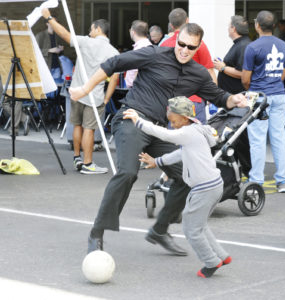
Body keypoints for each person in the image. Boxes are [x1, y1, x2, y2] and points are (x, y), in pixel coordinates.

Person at [69, 23, 246, 254]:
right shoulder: (154, 54)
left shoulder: (198, 74)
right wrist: (85, 89)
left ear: (197, 47)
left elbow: (220, 97)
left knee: (187, 175)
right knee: (128, 173)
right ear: (176, 40)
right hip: (131, 119)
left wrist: (237, 100)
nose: (184, 50)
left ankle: (160, 230)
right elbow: (114, 64)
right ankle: (97, 232)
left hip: (159, 129)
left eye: (190, 47)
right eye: (181, 44)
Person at [123, 96, 231, 278]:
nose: (172, 125)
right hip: (214, 185)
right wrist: (157, 161)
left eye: (173, 121)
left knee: (190, 229)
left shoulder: (187, 133)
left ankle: (211, 262)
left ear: (184, 117)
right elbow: (180, 154)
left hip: (204, 188)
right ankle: (221, 255)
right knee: (200, 224)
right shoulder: (197, 130)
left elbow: (165, 135)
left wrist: (139, 122)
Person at [41, 8, 119, 175]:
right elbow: (114, 78)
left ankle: (78, 158)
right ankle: (87, 163)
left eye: (91, 29)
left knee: (77, 125)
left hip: (77, 91)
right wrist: (106, 99)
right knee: (88, 129)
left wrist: (49, 18)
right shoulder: (114, 52)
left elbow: (65, 34)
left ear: (98, 29)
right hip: (94, 96)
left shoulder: (85, 42)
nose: (89, 32)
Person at [242, 10, 285, 193]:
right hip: (279, 94)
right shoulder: (284, 45)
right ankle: (283, 181)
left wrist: (251, 91)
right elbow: (282, 75)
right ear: (275, 26)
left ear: (257, 26)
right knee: (279, 137)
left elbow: (246, 79)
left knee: (257, 139)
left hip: (259, 95)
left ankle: (257, 180)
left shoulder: (252, 48)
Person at [161, 8, 217, 124]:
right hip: (194, 101)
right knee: (197, 140)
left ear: (171, 25)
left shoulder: (164, 45)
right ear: (187, 21)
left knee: (174, 140)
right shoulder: (198, 44)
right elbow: (210, 71)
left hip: (172, 103)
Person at [213, 15, 251, 94]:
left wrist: (223, 68)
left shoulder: (243, 46)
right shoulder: (240, 44)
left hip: (237, 97)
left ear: (233, 28)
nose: (227, 29)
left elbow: (243, 74)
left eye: (229, 26)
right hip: (231, 96)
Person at [125, 20, 151, 88]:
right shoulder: (147, 45)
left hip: (136, 89)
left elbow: (136, 71)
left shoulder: (140, 48)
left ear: (133, 32)